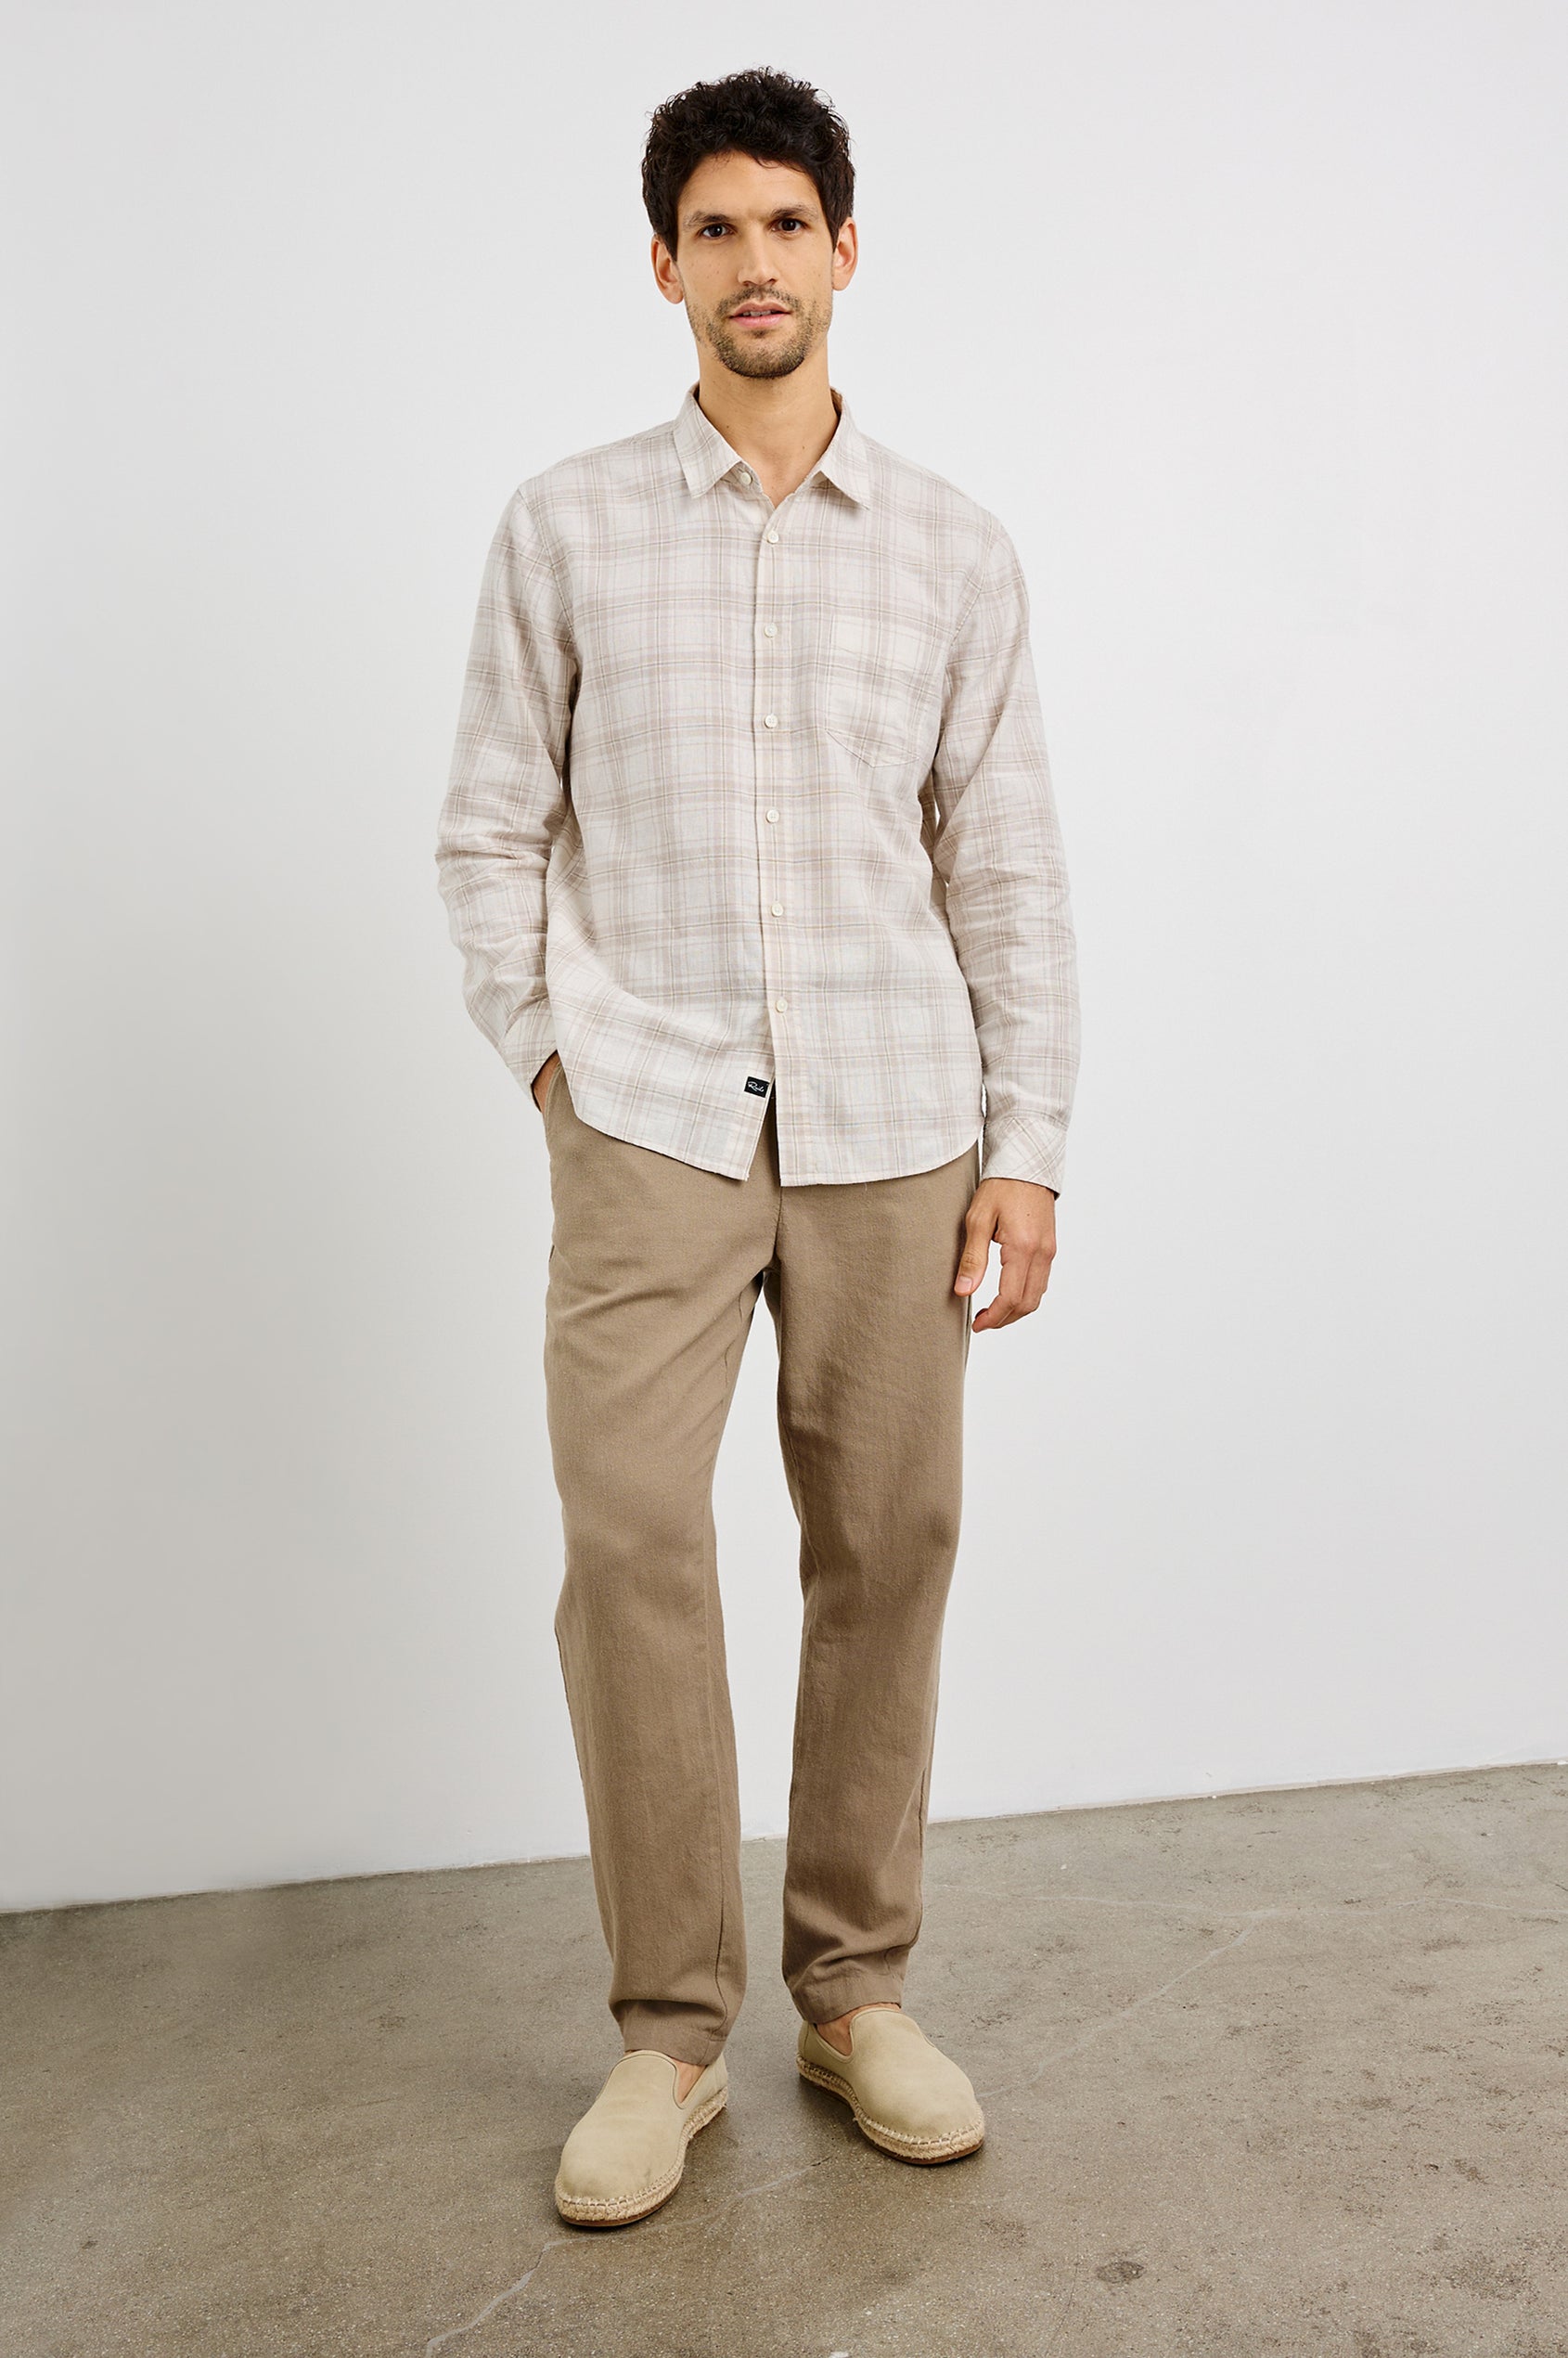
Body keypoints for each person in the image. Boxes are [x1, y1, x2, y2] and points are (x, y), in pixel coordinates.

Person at [434, 66, 1080, 2228]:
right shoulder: (563, 526)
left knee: (885, 1541)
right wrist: (554, 1060)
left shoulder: (954, 549)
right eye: (712, 228)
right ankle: (668, 2030)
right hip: (646, 1117)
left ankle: (854, 1987)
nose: (753, 261)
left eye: (785, 223)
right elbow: (485, 829)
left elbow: (1004, 866)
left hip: (899, 1120)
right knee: (629, 1532)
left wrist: (1028, 1140)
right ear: (662, 267)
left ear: (844, 249)